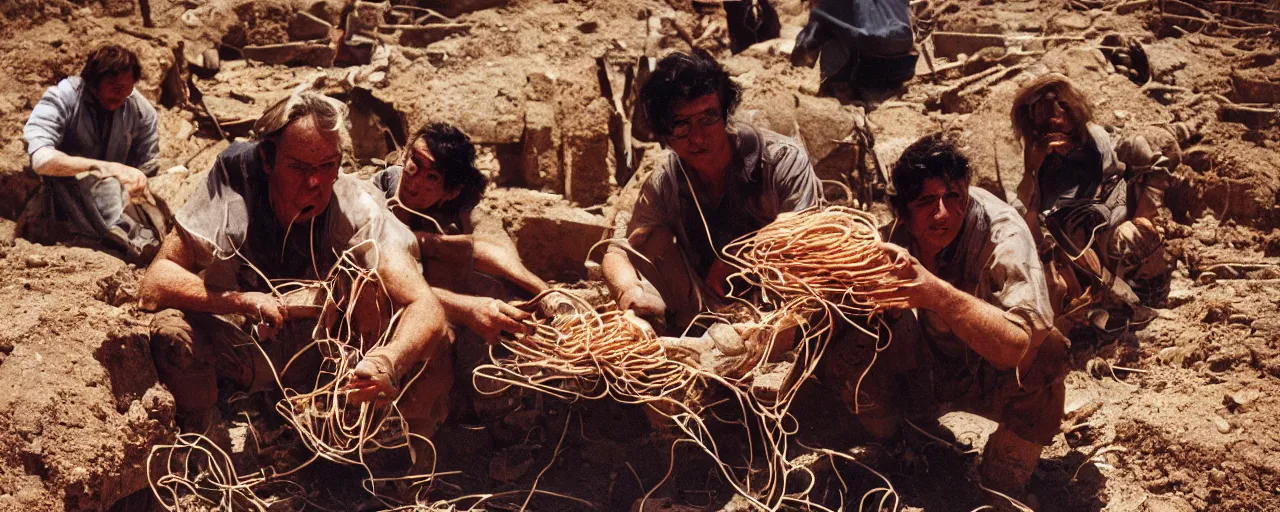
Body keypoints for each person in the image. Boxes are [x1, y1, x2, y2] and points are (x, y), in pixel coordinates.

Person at [138, 91, 454, 437]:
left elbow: (426, 306)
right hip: (244, 339)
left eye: (327, 166)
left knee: (406, 318)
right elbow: (155, 281)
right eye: (299, 168)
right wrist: (241, 301)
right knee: (173, 332)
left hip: (325, 355)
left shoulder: (354, 207)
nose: (315, 182)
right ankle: (206, 434)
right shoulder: (235, 187)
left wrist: (388, 361)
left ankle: (354, 437)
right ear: (267, 161)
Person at [821, 133, 1069, 499]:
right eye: (926, 202)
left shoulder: (1003, 234)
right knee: (851, 327)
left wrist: (937, 294)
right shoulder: (888, 239)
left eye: (953, 197)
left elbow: (1017, 346)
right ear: (903, 211)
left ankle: (1000, 484)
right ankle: (896, 447)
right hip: (920, 375)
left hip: (985, 370)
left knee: (1047, 350)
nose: (943, 213)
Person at [603, 49, 822, 338]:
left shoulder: (782, 159)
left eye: (708, 117)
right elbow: (618, 253)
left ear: (725, 112)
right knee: (648, 241)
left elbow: (801, 232)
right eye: (682, 125)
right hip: (706, 310)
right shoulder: (666, 180)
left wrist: (738, 256)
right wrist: (630, 292)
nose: (698, 137)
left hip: (785, 304)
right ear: (664, 132)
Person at [1010, 74, 1175, 331]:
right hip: (1073, 240)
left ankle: (1132, 287)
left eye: (1059, 114)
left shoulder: (1094, 140)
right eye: (1044, 121)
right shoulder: (1041, 153)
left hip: (1108, 216)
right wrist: (1032, 169)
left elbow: (1105, 191)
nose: (1054, 123)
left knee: (1134, 234)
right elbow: (1032, 210)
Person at [21, 43, 164, 262]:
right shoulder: (64, 97)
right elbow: (41, 159)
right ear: (94, 82)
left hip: (119, 199)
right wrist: (105, 167)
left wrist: (135, 185)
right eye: (114, 87)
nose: (122, 94)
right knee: (97, 183)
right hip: (67, 197)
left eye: (128, 87)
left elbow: (149, 168)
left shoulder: (139, 109)